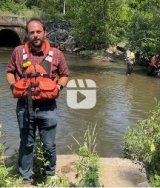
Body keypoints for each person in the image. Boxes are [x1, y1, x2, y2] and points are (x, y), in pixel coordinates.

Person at [6, 18, 69, 185]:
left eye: (38, 31)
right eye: (32, 32)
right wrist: (13, 86)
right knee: (26, 144)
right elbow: (10, 71)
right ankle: (26, 179)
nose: (35, 35)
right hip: (24, 106)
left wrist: (59, 88)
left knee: (49, 144)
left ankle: (50, 176)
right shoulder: (18, 52)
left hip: (48, 107)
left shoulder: (57, 54)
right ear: (28, 34)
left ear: (44, 32)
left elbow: (64, 74)